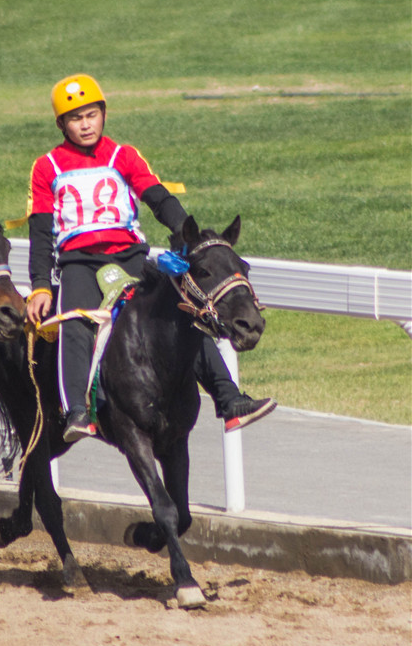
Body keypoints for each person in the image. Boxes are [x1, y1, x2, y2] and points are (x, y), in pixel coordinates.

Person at [25, 73, 276, 444]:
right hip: (79, 263)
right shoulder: (47, 166)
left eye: (92, 115)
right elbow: (41, 233)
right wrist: (40, 286)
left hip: (131, 256)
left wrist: (189, 237)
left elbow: (158, 198)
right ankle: (77, 409)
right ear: (62, 124)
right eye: (76, 119)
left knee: (187, 311)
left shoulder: (123, 155)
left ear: (103, 114)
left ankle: (229, 399)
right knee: (75, 323)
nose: (86, 124)